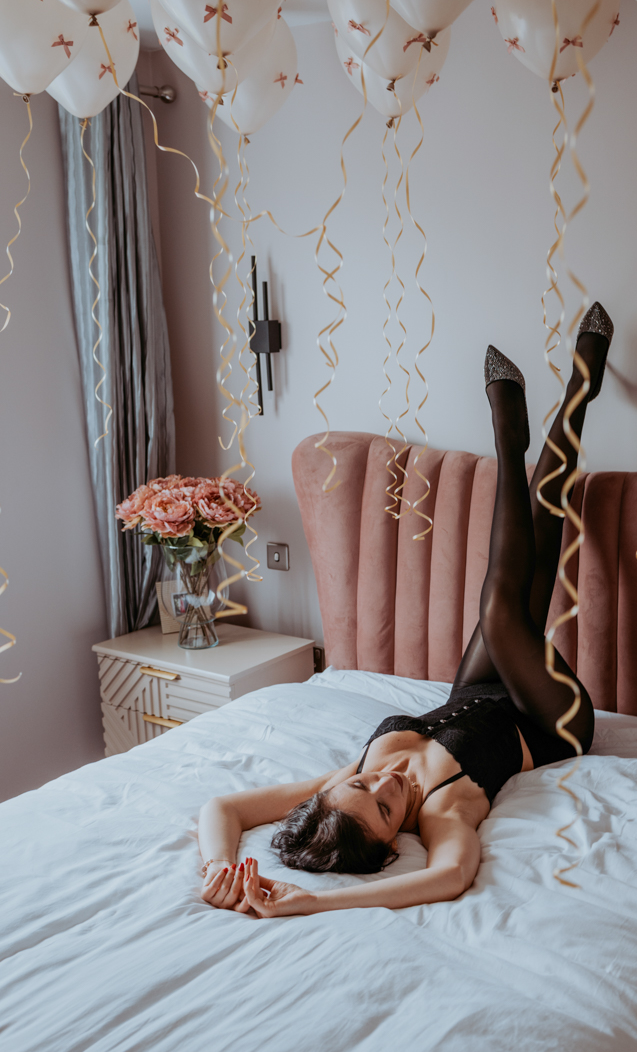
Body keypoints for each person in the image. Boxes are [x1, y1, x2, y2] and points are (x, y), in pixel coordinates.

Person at [198, 303, 614, 919]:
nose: (385, 782)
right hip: (556, 722)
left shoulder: (343, 785)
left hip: (480, 688)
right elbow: (450, 875)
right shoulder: (445, 809)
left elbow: (223, 808)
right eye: (387, 808)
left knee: (521, 583)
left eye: (362, 784)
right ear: (395, 842)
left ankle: (569, 400)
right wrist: (313, 903)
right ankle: (519, 433)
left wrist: (218, 868)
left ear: (338, 788)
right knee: (503, 612)